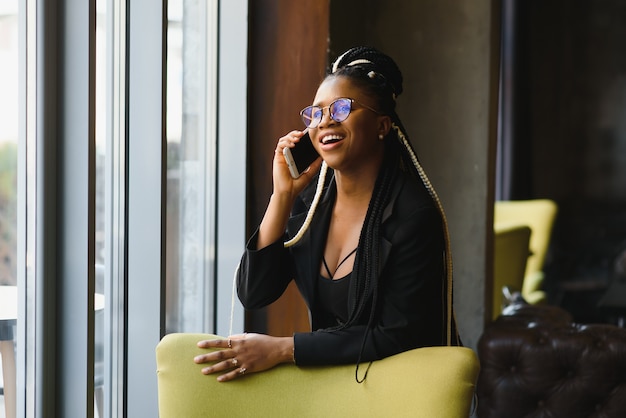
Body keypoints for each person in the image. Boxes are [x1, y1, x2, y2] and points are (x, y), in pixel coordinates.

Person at [194, 46, 460, 382]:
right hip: (330, 386)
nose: (326, 121)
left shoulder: (412, 214)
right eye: (316, 114)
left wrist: (282, 349)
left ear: (382, 125)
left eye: (342, 108)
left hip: (397, 393)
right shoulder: (311, 207)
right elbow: (254, 292)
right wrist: (282, 196)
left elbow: (397, 335)